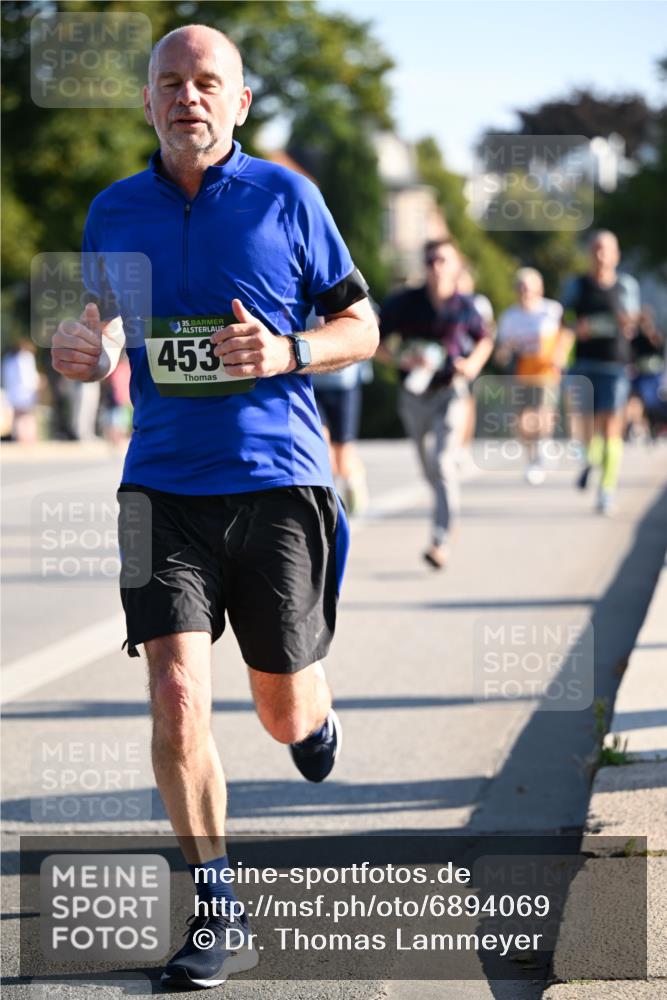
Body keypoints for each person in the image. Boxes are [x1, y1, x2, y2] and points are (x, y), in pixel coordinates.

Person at [51, 24, 378, 990]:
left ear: (237, 102)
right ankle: (216, 904)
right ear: (147, 101)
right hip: (161, 484)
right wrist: (87, 350)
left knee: (278, 712)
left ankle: (311, 716)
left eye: (207, 82)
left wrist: (287, 351)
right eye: (169, 82)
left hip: (277, 481)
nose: (186, 96)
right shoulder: (113, 211)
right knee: (178, 692)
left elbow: (359, 325)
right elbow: (101, 325)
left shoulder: (288, 196)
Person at [378, 237, 493, 569]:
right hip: (414, 395)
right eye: (430, 261)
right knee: (428, 468)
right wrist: (400, 359)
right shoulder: (404, 303)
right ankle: (446, 501)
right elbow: (373, 340)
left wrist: (471, 366)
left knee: (442, 463)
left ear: (456, 266)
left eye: (443, 260)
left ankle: (440, 540)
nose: (436, 267)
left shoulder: (465, 306)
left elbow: (484, 339)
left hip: (449, 392)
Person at [562, 230, 640, 515]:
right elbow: (563, 318)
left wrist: (626, 322)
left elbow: (630, 323)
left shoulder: (626, 286)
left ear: (616, 255)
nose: (600, 255)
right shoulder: (577, 285)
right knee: (586, 426)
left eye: (606, 249)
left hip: (614, 363)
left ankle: (607, 490)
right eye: (595, 249)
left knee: (611, 427)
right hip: (584, 364)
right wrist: (575, 328)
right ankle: (591, 460)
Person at [495, 267, 572, 485]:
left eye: (528, 288)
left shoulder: (551, 310)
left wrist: (560, 354)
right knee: (521, 421)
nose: (525, 292)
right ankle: (533, 454)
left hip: (546, 371)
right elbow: (501, 352)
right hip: (521, 373)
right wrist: (506, 350)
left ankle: (541, 450)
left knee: (542, 413)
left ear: (539, 288)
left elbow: (566, 334)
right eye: (520, 288)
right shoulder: (509, 317)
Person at [312, 360, 370, 515]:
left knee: (343, 457)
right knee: (322, 446)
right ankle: (330, 504)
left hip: (344, 384)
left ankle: (355, 477)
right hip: (312, 382)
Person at [1, 338, 40, 443]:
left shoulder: (8, 359)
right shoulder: (26, 357)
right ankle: (26, 439)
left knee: (18, 417)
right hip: (25, 393)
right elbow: (28, 378)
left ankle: (18, 438)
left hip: (13, 393)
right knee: (26, 417)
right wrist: (36, 385)